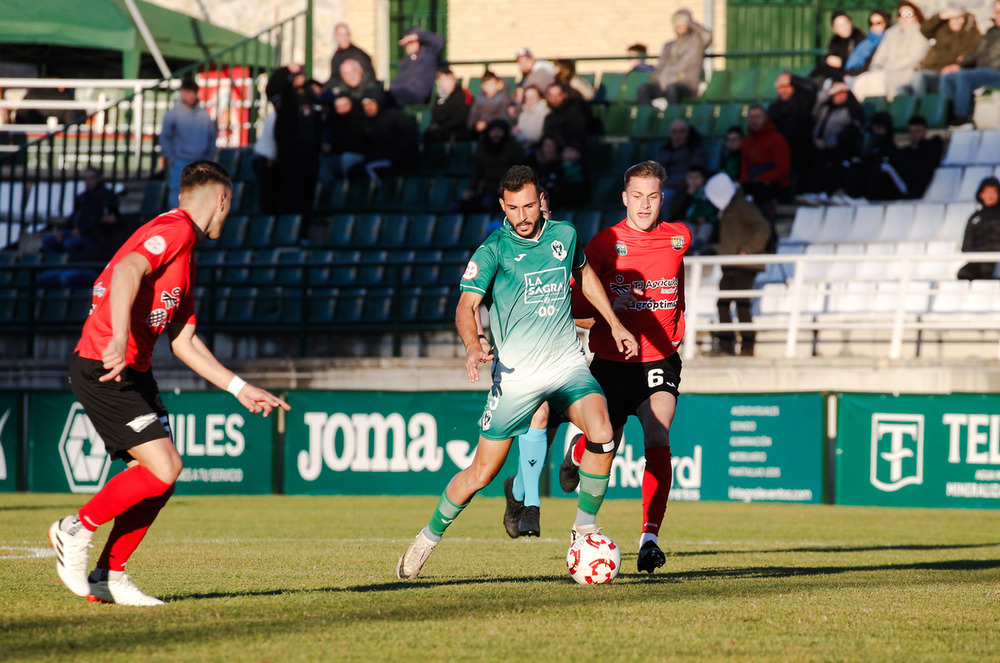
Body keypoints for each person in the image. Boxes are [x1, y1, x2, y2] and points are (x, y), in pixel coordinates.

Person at [46, 161, 290, 606]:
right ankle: (74, 528)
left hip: (135, 371)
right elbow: (126, 271)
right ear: (222, 200)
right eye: (229, 205)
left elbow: (185, 342)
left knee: (161, 478)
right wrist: (118, 336)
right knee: (165, 467)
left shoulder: (186, 256)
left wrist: (240, 388)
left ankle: (109, 575)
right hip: (106, 365)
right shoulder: (175, 229)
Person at [396, 165, 638, 580]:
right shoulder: (493, 251)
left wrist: (614, 323)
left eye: (529, 205)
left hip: (566, 366)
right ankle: (427, 538)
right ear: (502, 206)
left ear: (539, 199)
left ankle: (584, 529)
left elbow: (585, 275)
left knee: (603, 431)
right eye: (514, 208)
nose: (523, 216)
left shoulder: (564, 235)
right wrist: (473, 345)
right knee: (480, 473)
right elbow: (465, 308)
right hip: (516, 378)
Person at [556, 160, 691, 574]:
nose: (645, 204)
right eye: (637, 196)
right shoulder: (603, 243)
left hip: (660, 358)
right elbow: (576, 310)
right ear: (624, 198)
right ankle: (576, 454)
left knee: (658, 437)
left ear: (661, 198)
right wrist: (612, 310)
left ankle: (650, 539)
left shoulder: (679, 237)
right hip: (612, 364)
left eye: (652, 196)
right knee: (605, 448)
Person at [703, 173, 772, 357]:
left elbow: (762, 227)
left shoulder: (741, 205)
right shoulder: (731, 207)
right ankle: (726, 346)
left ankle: (747, 347)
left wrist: (747, 250)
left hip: (745, 264)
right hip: (731, 264)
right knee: (723, 303)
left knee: (741, 303)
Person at [849, 1, 929, 101]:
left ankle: (880, 111)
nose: (904, 18)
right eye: (901, 14)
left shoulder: (920, 32)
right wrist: (876, 66)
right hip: (883, 71)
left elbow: (912, 58)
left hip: (905, 72)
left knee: (877, 81)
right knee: (861, 81)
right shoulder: (891, 33)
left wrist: (887, 68)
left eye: (908, 14)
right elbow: (879, 54)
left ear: (915, 16)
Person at [159, 76, 216, 211]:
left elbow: (211, 139)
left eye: (193, 93)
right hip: (180, 161)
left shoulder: (204, 116)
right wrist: (172, 157)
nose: (190, 96)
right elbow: (165, 137)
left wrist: (208, 159)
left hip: (200, 162)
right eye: (187, 92)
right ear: (182, 93)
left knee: (199, 195)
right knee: (177, 195)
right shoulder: (173, 114)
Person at [273, 64, 322, 217]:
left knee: (307, 191)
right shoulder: (285, 97)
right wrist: (286, 69)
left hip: (310, 151)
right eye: (295, 75)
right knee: (290, 190)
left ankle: (303, 230)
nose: (299, 78)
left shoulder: (311, 97)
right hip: (290, 152)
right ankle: (289, 226)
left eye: (301, 74)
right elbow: (273, 87)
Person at [940, 0, 1000, 125]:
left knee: (964, 76)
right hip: (981, 71)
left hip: (996, 72)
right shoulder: (991, 31)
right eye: (996, 12)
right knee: (947, 77)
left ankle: (962, 117)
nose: (997, 15)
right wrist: (958, 65)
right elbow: (975, 53)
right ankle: (946, 115)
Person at [637, 9, 712, 106]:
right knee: (644, 89)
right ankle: (646, 118)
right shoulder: (668, 45)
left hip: (686, 86)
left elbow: (707, 36)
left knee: (672, 90)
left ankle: (672, 118)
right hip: (664, 84)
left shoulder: (696, 43)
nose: (679, 25)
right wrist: (657, 78)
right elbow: (661, 66)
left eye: (682, 22)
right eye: (676, 22)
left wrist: (691, 23)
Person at [801, 81, 864, 197]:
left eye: (842, 93)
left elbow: (851, 132)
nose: (839, 96)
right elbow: (813, 106)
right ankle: (810, 192)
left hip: (837, 149)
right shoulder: (825, 109)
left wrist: (828, 143)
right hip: (817, 148)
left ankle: (822, 193)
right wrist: (829, 92)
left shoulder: (851, 110)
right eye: (836, 93)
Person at [903, 4, 980, 96]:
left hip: (944, 72)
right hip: (928, 68)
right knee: (902, 89)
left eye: (959, 18)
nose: (956, 21)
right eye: (953, 18)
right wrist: (940, 17)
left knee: (919, 77)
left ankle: (921, 108)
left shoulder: (971, 34)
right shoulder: (942, 30)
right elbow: (925, 29)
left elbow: (972, 53)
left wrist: (959, 64)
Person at [350, 85, 419, 180]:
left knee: (367, 169)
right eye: (365, 105)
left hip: (396, 160)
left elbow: (410, 134)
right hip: (377, 158)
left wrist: (395, 154)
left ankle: (377, 193)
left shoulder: (395, 117)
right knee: (353, 170)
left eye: (371, 103)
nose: (368, 107)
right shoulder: (366, 122)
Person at [460, 118, 525, 212]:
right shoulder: (483, 148)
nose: (496, 133)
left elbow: (520, 171)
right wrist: (470, 189)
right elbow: (477, 172)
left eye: (499, 130)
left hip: (508, 192)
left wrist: (508, 185)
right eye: (493, 130)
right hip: (487, 189)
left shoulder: (514, 148)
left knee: (488, 204)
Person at [740, 104, 791, 211]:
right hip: (753, 183)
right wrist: (745, 181)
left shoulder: (777, 140)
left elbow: (783, 169)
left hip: (774, 185)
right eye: (751, 117)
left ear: (765, 118)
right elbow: (744, 168)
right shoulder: (746, 143)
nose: (754, 121)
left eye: (757, 117)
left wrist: (760, 179)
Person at [768, 72, 817, 175]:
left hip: (804, 149)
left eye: (787, 86)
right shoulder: (774, 107)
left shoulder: (803, 101)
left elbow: (812, 87)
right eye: (780, 87)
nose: (783, 90)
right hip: (783, 150)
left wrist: (792, 79)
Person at [389, 27, 445, 107]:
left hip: (416, 92)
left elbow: (440, 41)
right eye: (407, 43)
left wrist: (416, 35)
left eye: (411, 42)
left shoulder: (428, 54)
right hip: (401, 91)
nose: (408, 46)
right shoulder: (406, 61)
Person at [958, 176, 1000, 279]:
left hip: (998, 261)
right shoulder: (975, 218)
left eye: (993, 192)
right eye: (987, 192)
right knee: (964, 274)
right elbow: (966, 247)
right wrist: (983, 253)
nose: (990, 196)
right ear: (981, 194)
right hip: (979, 262)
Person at [810, 12, 866, 85]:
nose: (844, 27)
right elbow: (829, 54)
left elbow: (861, 61)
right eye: (839, 26)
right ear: (834, 29)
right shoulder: (835, 40)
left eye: (845, 23)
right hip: (835, 72)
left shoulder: (859, 38)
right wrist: (828, 58)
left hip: (851, 72)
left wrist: (842, 62)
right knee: (822, 70)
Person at [894, 114, 942, 198]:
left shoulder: (930, 148)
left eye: (917, 131)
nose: (914, 135)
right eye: (911, 131)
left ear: (925, 131)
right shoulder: (904, 152)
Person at [657, 119, 707, 195]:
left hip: (681, 190)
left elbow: (695, 174)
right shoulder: (664, 150)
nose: (678, 135)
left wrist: (668, 185)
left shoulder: (695, 150)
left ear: (687, 133)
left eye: (681, 132)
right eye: (674, 132)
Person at [424, 66, 473, 143]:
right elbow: (436, 115)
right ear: (438, 82)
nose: (448, 84)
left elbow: (463, 117)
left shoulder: (463, 94)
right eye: (445, 80)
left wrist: (445, 126)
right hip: (443, 130)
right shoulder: (438, 96)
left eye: (450, 80)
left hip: (459, 131)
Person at [324, 23, 376, 92]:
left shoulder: (358, 54)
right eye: (340, 35)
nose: (344, 37)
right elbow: (334, 76)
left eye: (346, 34)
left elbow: (367, 76)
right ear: (335, 37)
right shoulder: (336, 56)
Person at [541, 83, 589, 148]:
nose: (554, 99)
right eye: (551, 96)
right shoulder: (549, 117)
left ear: (564, 95)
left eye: (557, 95)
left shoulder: (575, 111)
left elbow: (577, 136)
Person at [845, 11, 892, 76]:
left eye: (878, 23)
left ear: (886, 23)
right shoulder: (866, 42)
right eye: (871, 23)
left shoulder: (889, 40)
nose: (874, 26)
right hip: (860, 73)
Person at [467, 71, 513, 135]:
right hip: (478, 132)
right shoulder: (479, 98)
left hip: (497, 131)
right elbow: (472, 116)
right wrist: (475, 125)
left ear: (497, 85)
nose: (490, 87)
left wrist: (486, 124)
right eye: (487, 84)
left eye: (492, 84)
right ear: (483, 86)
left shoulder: (504, 98)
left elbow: (503, 116)